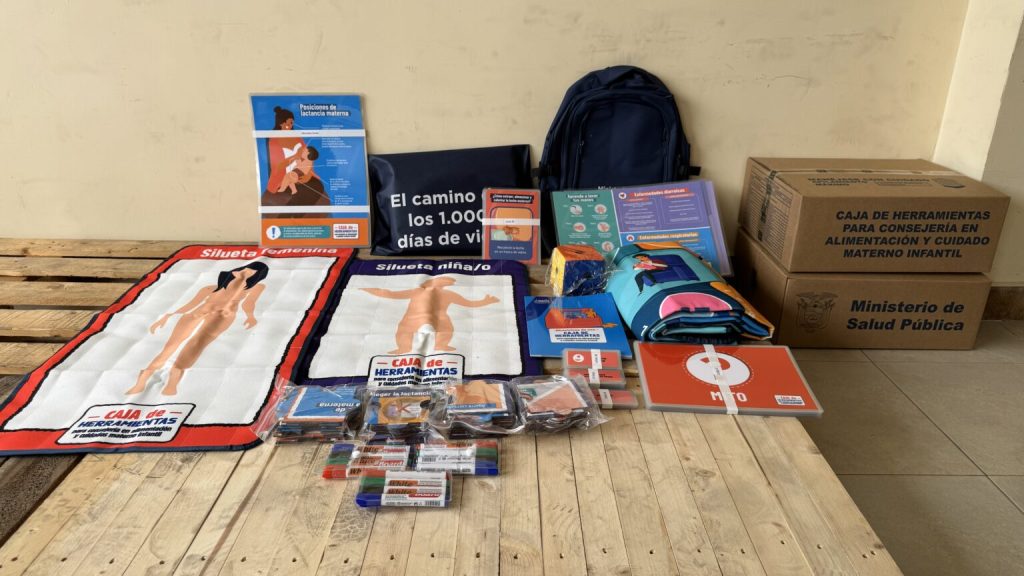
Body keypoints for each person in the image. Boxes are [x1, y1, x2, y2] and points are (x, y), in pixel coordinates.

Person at [126, 262, 269, 396]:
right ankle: (141, 383)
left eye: (249, 272)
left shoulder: (257, 287)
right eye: (242, 270)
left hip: (223, 316)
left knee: (195, 346)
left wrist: (250, 316)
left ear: (256, 276)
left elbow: (249, 303)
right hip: (195, 314)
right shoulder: (211, 288)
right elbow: (192, 303)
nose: (242, 274)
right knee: (171, 346)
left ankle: (172, 385)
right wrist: (168, 316)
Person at [360, 276, 499, 354]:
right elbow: (393, 294)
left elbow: (468, 303)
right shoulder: (417, 291)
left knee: (446, 328)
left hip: (440, 318)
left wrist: (486, 301)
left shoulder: (448, 294)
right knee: (404, 331)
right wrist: (373, 290)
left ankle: (441, 345)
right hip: (412, 317)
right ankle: (403, 348)